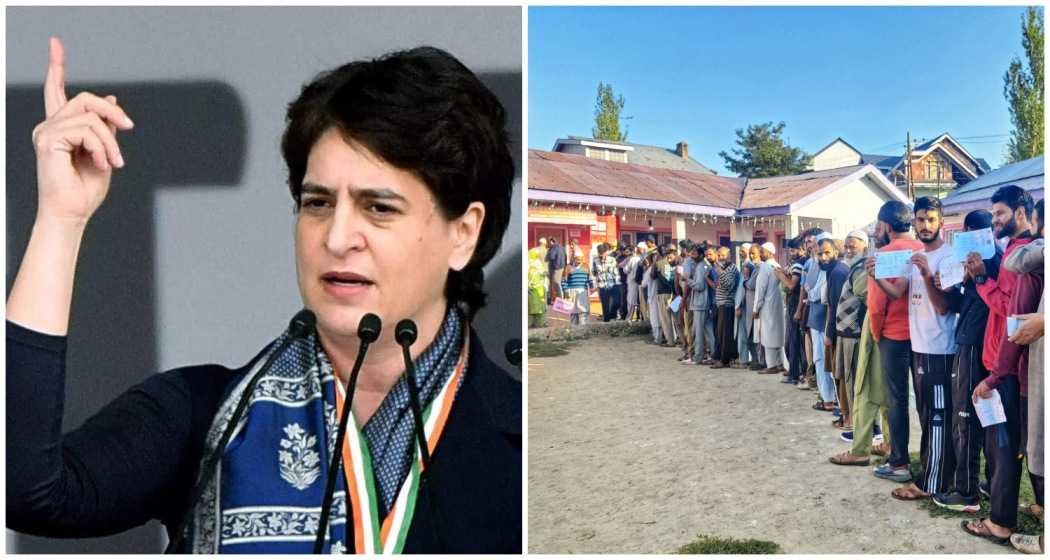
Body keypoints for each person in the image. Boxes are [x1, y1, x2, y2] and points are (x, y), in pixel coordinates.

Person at [8, 39, 520, 553]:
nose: (337, 237)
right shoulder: (209, 416)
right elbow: (25, 488)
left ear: (464, 233)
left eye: (379, 208)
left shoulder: (529, 443)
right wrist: (61, 218)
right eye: (317, 203)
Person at [962, 186, 1039, 544]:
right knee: (1015, 442)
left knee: (1003, 445)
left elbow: (1012, 317)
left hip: (1007, 366)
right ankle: (1031, 505)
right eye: (993, 214)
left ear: (1022, 214)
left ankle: (1000, 522)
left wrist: (980, 279)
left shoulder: (1022, 258)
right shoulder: (1015, 251)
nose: (995, 220)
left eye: (1000, 214)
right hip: (1010, 364)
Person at [872, 197, 959, 501]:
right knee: (927, 414)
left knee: (936, 417)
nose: (924, 225)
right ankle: (939, 473)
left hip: (939, 348)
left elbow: (946, 307)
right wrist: (878, 277)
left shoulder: (948, 258)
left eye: (930, 220)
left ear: (941, 223)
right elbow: (898, 292)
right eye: (919, 220)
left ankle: (931, 483)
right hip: (919, 345)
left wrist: (925, 275)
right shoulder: (916, 255)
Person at [865, 201, 924, 484]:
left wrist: (877, 334)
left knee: (897, 400)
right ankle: (931, 461)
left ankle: (899, 463)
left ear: (887, 226)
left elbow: (876, 306)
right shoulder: (923, 249)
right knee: (927, 401)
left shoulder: (884, 255)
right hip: (925, 338)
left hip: (894, 335)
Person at [1003, 198, 1045, 554]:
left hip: (1036, 372)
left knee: (1039, 445)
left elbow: (1015, 261)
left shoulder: (1036, 256)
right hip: (1035, 368)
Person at [829, 231, 868, 429]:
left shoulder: (861, 270)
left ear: (865, 247)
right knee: (845, 379)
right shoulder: (853, 269)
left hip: (854, 335)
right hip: (846, 334)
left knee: (853, 382)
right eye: (847, 246)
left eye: (853, 246)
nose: (849, 250)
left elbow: (867, 301)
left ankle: (856, 425)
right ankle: (850, 420)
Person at [817, 237, 850, 424]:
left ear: (836, 252)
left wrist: (829, 335)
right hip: (839, 330)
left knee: (840, 375)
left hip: (841, 331)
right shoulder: (832, 271)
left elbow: (836, 307)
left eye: (827, 252)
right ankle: (843, 412)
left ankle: (845, 416)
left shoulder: (838, 272)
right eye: (820, 253)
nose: (823, 257)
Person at [807, 233, 836, 407]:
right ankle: (826, 396)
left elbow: (817, 293)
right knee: (820, 359)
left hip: (822, 319)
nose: (822, 256)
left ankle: (828, 399)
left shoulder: (828, 269)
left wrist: (810, 293)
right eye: (819, 251)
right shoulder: (815, 264)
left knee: (822, 359)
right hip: (817, 317)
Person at [773, 237, 806, 383]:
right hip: (793, 302)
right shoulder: (796, 263)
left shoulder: (799, 264)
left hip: (795, 302)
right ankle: (795, 371)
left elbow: (792, 286)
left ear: (801, 250)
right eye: (790, 250)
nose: (791, 253)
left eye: (793, 250)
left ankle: (795, 374)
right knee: (792, 341)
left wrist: (781, 276)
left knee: (793, 341)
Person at [752, 242, 786, 375]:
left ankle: (771, 365)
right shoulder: (777, 265)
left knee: (768, 335)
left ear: (770, 253)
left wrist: (756, 308)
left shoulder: (765, 267)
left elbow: (760, 290)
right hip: (778, 305)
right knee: (777, 334)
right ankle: (779, 364)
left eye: (762, 251)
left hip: (767, 305)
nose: (760, 254)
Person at [710, 247, 739, 369]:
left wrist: (720, 273)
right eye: (719, 255)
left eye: (723, 255)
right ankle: (718, 357)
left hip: (727, 305)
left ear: (729, 256)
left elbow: (729, 285)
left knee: (725, 334)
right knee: (719, 333)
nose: (720, 258)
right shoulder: (723, 268)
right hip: (720, 304)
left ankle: (724, 360)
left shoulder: (731, 268)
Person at [652, 245, 678, 346]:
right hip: (675, 295)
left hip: (663, 294)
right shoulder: (675, 262)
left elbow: (652, 276)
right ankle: (682, 341)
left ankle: (670, 341)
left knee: (666, 319)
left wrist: (654, 262)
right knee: (677, 320)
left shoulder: (659, 263)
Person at [564, 254, 592, 326]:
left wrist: (591, 287)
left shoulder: (586, 266)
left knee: (583, 310)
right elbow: (564, 280)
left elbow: (590, 279)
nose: (579, 260)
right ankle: (574, 329)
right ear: (574, 259)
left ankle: (583, 328)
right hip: (571, 291)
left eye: (580, 258)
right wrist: (566, 291)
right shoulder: (568, 267)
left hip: (582, 290)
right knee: (573, 311)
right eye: (577, 258)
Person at [528, 247, 548, 328]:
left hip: (530, 288)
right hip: (539, 288)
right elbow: (543, 274)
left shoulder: (527, 263)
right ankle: (540, 323)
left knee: (530, 308)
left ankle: (530, 323)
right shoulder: (538, 263)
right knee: (540, 307)